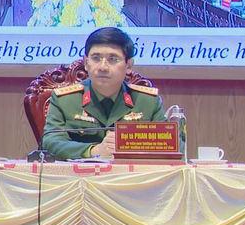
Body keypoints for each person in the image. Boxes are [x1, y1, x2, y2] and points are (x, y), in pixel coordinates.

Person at [42, 27, 166, 160]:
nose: (102, 67)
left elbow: (174, 146)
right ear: (86, 62)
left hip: (131, 178)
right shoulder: (64, 99)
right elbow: (50, 142)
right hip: (80, 178)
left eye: (113, 59)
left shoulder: (147, 101)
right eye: (96, 58)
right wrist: (92, 150)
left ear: (129, 65)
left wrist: (131, 147)